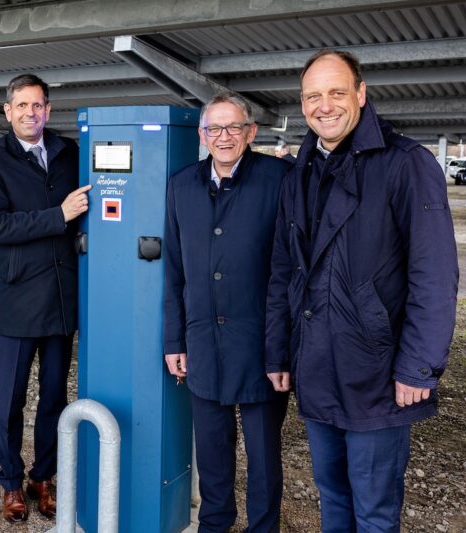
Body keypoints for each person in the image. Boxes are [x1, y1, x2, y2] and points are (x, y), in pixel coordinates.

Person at [265, 50, 458, 531]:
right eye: (313, 96)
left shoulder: (405, 164)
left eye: (335, 92)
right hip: (315, 363)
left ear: (361, 94)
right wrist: (279, 353)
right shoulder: (302, 173)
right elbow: (285, 271)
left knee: (373, 509)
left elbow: (434, 275)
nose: (324, 105)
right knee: (332, 496)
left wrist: (419, 365)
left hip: (376, 370)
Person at [163, 92, 291, 533]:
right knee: (213, 454)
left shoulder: (280, 178)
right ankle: (214, 525)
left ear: (251, 132)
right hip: (201, 342)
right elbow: (174, 271)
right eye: (214, 129)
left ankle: (264, 527)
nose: (224, 136)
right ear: (202, 135)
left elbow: (290, 270)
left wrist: (282, 352)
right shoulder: (181, 184)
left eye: (233, 127)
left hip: (261, 346)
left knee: (263, 457)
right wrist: (174, 340)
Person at [0, 74, 90, 523]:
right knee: (11, 400)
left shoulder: (68, 153)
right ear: (8, 111)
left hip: (61, 298)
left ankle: (43, 477)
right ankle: (10, 482)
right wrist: (58, 215)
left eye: (38, 105)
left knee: (54, 397)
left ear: (48, 109)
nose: (30, 113)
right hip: (19, 297)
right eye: (21, 105)